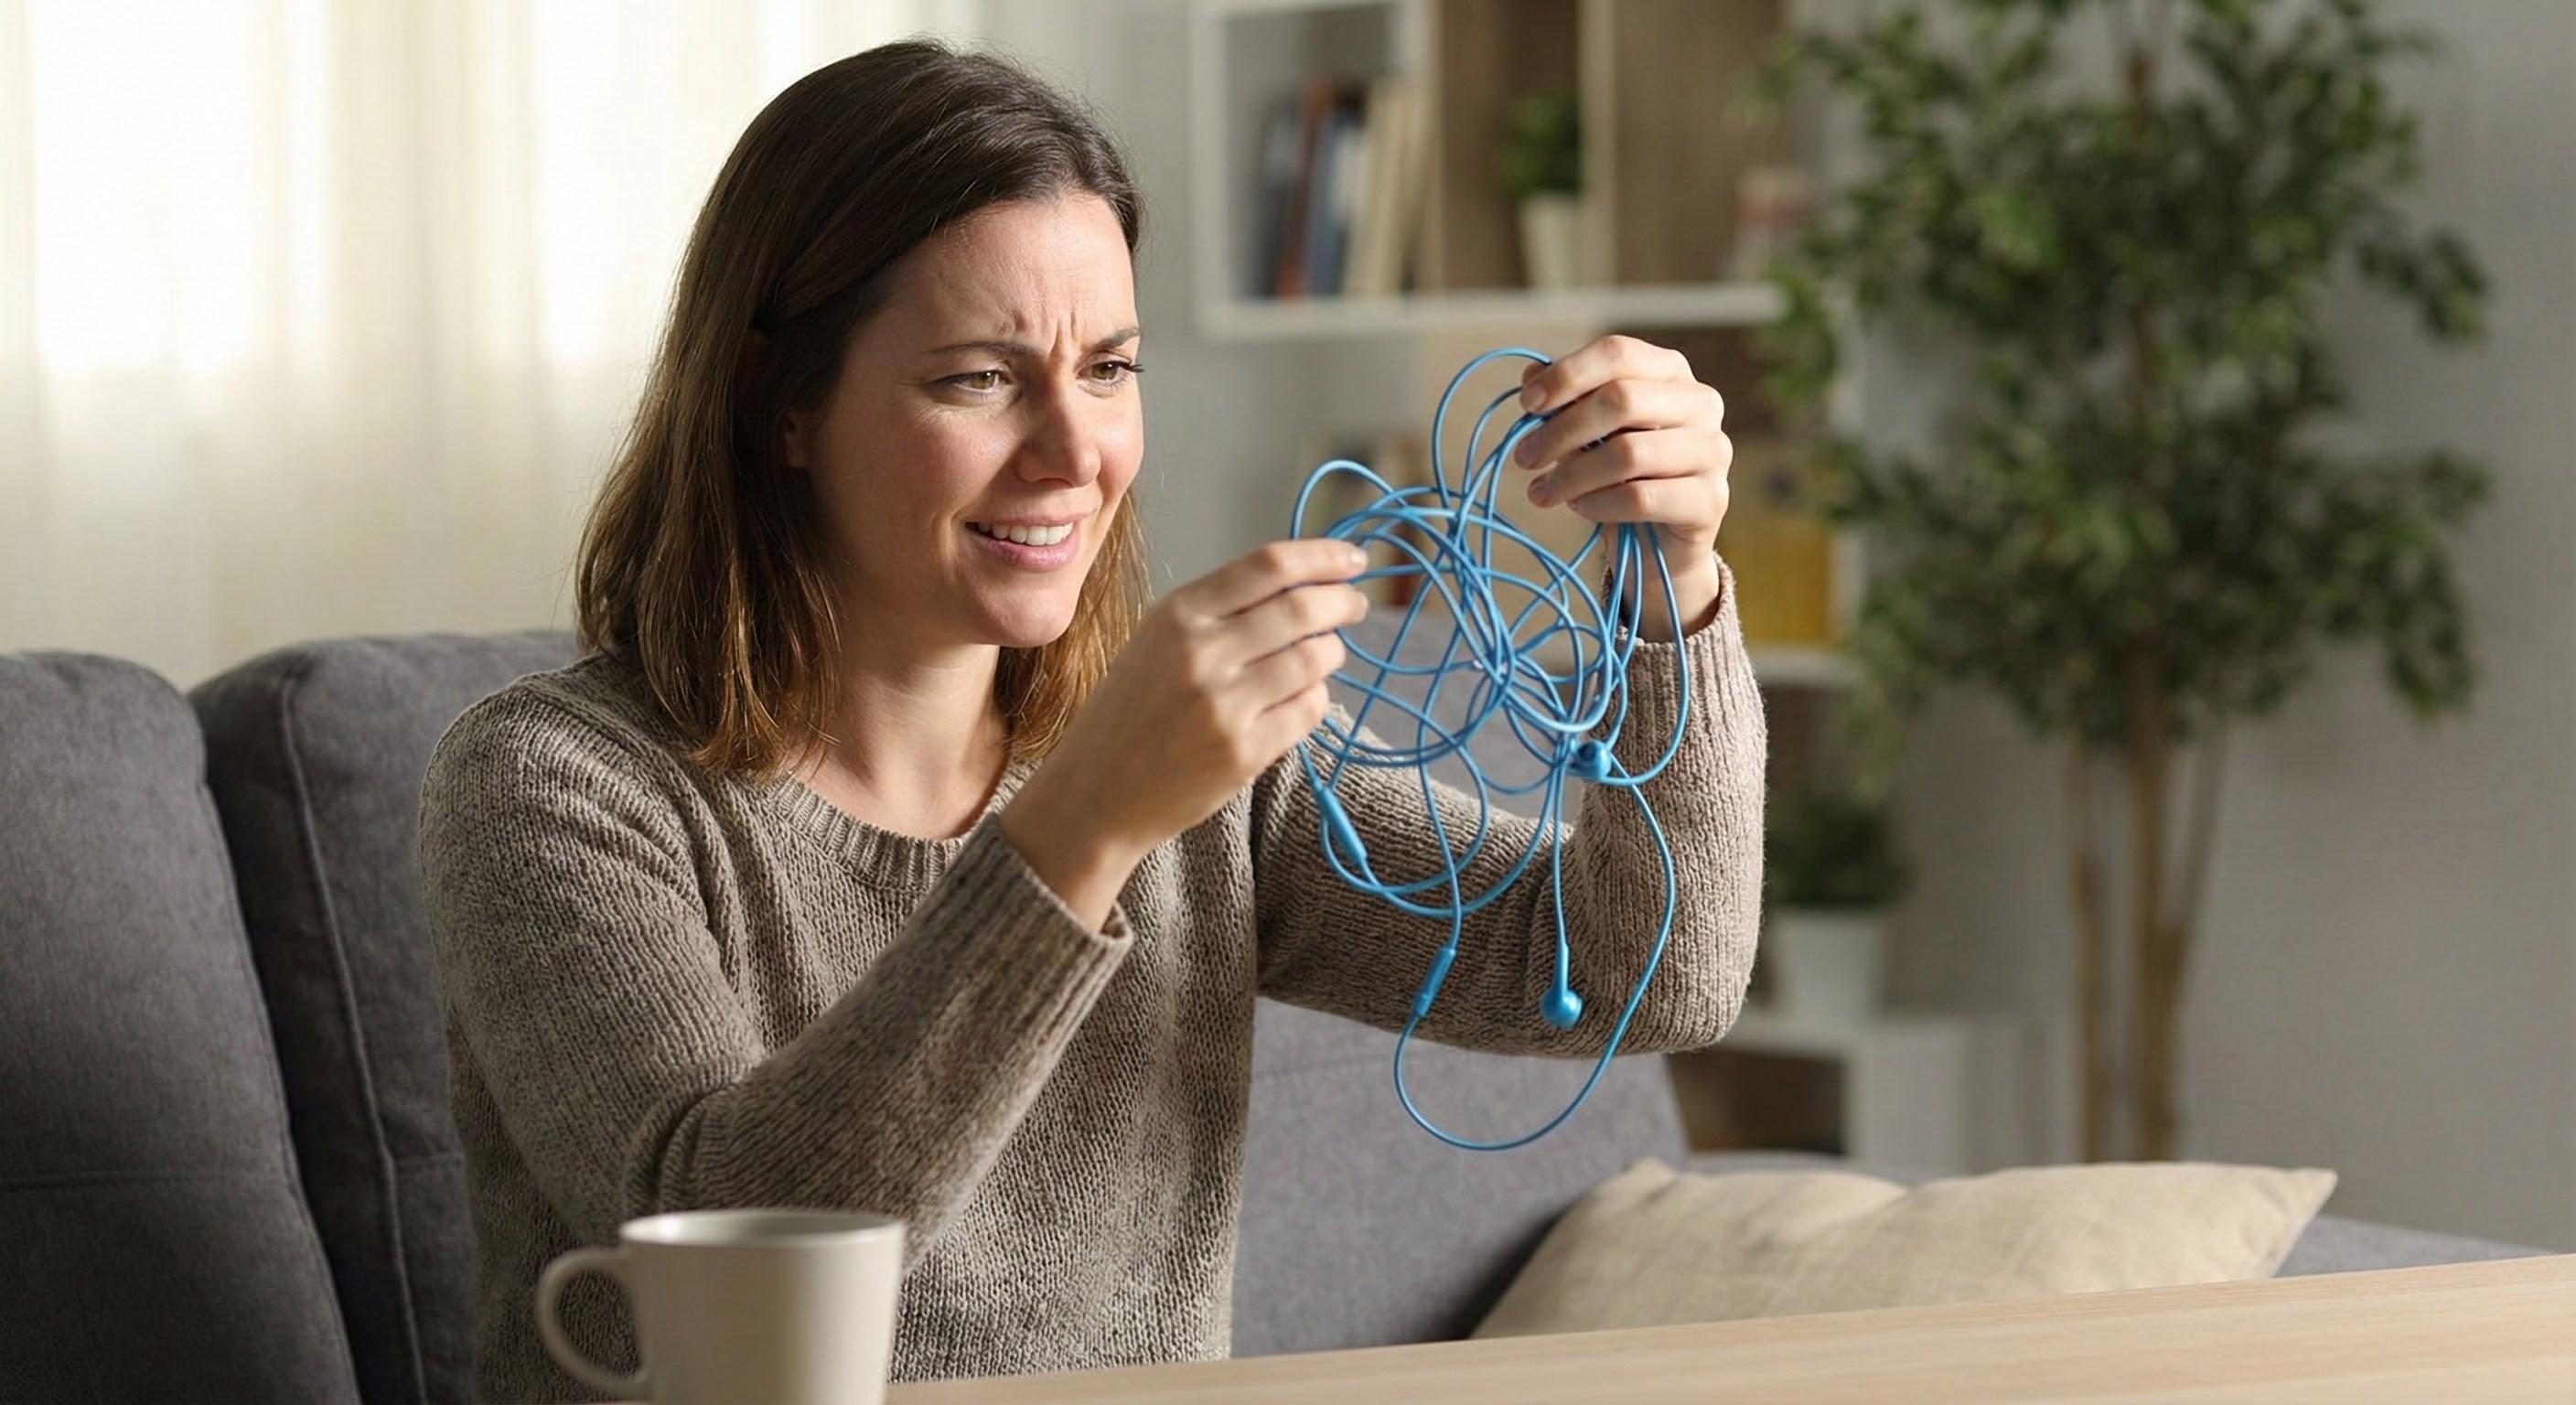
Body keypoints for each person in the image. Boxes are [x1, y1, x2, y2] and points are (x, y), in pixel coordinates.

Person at [419, 38, 1767, 1402]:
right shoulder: (552, 785)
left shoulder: (1203, 779)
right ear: (781, 407)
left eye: (1111, 369)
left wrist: (1674, 579)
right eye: (978, 378)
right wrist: (1084, 827)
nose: (1077, 454)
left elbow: (1649, 972)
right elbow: (733, 1246)